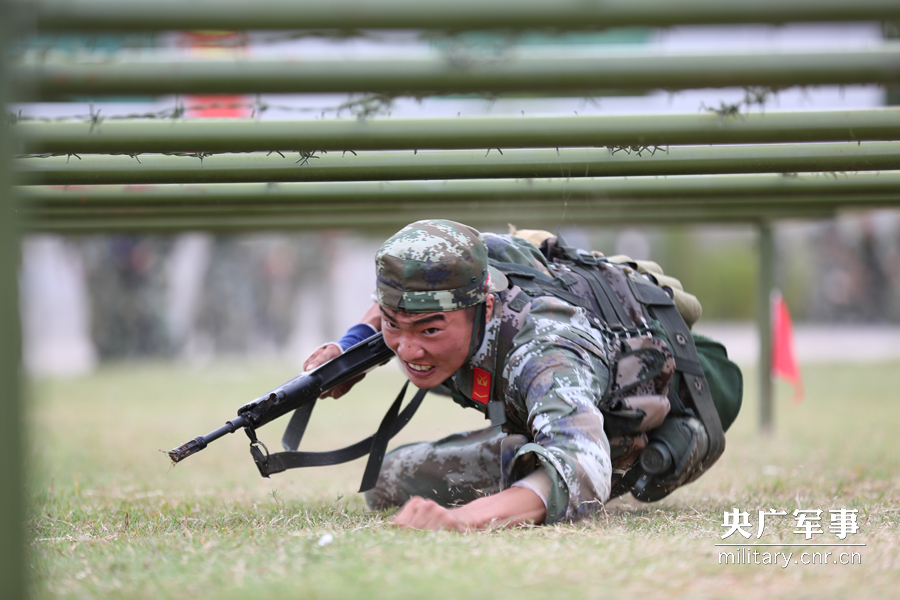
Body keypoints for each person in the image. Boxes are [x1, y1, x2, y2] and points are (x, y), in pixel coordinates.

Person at [303, 219, 625, 532]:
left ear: (485, 307)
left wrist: (464, 519)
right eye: (393, 326)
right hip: (536, 414)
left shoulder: (544, 350)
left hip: (625, 433)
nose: (408, 351)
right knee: (389, 479)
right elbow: (392, 300)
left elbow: (583, 467)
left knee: (557, 468)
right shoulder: (457, 261)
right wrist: (350, 348)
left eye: (429, 329)